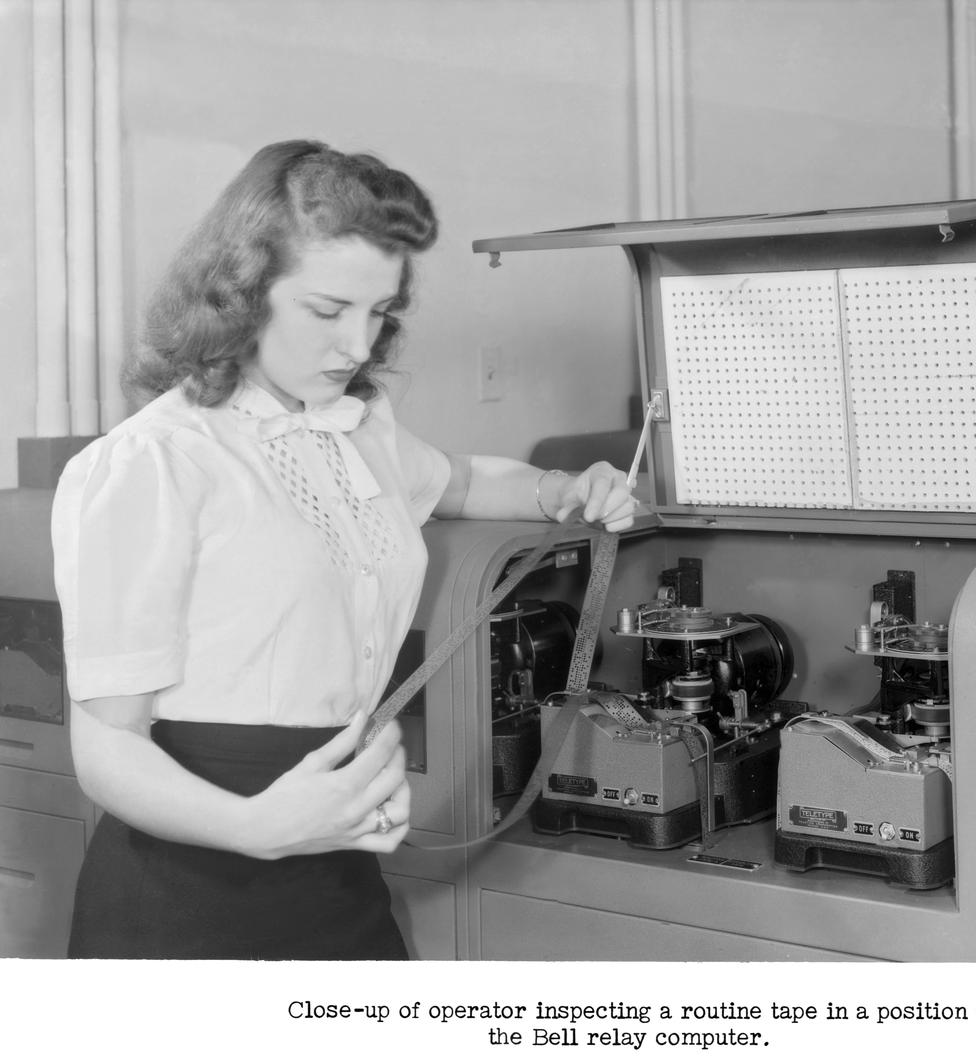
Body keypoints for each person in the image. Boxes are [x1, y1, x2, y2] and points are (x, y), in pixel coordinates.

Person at [50, 140, 636, 960]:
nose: (359, 346)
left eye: (379, 313)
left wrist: (565, 489)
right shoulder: (153, 461)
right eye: (327, 311)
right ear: (241, 292)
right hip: (189, 880)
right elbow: (106, 748)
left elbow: (461, 479)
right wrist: (257, 825)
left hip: (335, 854)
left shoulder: (356, 427)